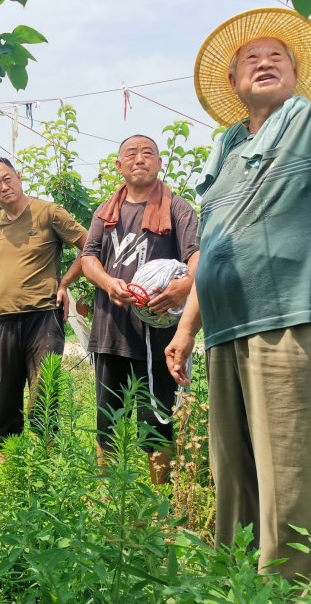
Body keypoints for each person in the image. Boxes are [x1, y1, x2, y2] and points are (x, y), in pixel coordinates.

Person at [164, 0, 311, 580]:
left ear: (297, 74)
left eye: (277, 55)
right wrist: (186, 328)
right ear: (232, 84)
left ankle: (301, 593)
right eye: (250, 59)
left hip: (292, 324)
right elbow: (216, 245)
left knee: (293, 490)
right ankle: (243, 591)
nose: (263, 61)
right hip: (226, 333)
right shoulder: (227, 153)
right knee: (238, 488)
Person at [81, 135, 199, 484]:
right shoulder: (106, 211)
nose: (140, 159)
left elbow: (198, 256)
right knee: (107, 423)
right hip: (111, 332)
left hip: (158, 337)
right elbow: (88, 258)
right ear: (119, 166)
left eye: (148, 153)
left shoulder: (178, 208)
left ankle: (160, 500)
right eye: (131, 154)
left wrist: (185, 285)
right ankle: (109, 499)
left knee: (157, 423)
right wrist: (107, 283)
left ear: (160, 164)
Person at [0, 158, 87, 448]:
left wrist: (64, 283)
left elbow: (89, 246)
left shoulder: (49, 212)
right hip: (4, 317)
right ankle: (7, 451)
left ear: (19, 177)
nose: (4, 186)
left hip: (44, 315)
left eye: (7, 178)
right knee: (5, 391)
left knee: (43, 389)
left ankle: (46, 450)